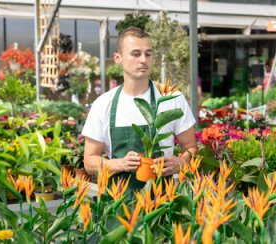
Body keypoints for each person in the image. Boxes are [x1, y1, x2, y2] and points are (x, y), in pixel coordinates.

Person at [82, 27, 197, 191]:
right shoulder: (103, 104)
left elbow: (191, 148)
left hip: (162, 203)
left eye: (148, 54)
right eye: (136, 54)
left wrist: (181, 162)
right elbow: (89, 162)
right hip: (119, 206)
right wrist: (119, 164)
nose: (143, 60)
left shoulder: (172, 98)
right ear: (118, 58)